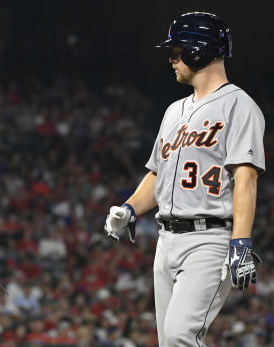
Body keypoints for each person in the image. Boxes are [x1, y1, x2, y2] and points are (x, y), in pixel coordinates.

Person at [104, 12, 265, 347]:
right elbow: (157, 174)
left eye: (177, 50)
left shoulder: (239, 105)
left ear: (198, 50)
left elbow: (245, 179)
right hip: (166, 240)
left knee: (180, 336)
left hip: (209, 239)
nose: (172, 58)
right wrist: (130, 208)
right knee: (169, 342)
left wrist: (242, 242)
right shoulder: (173, 111)